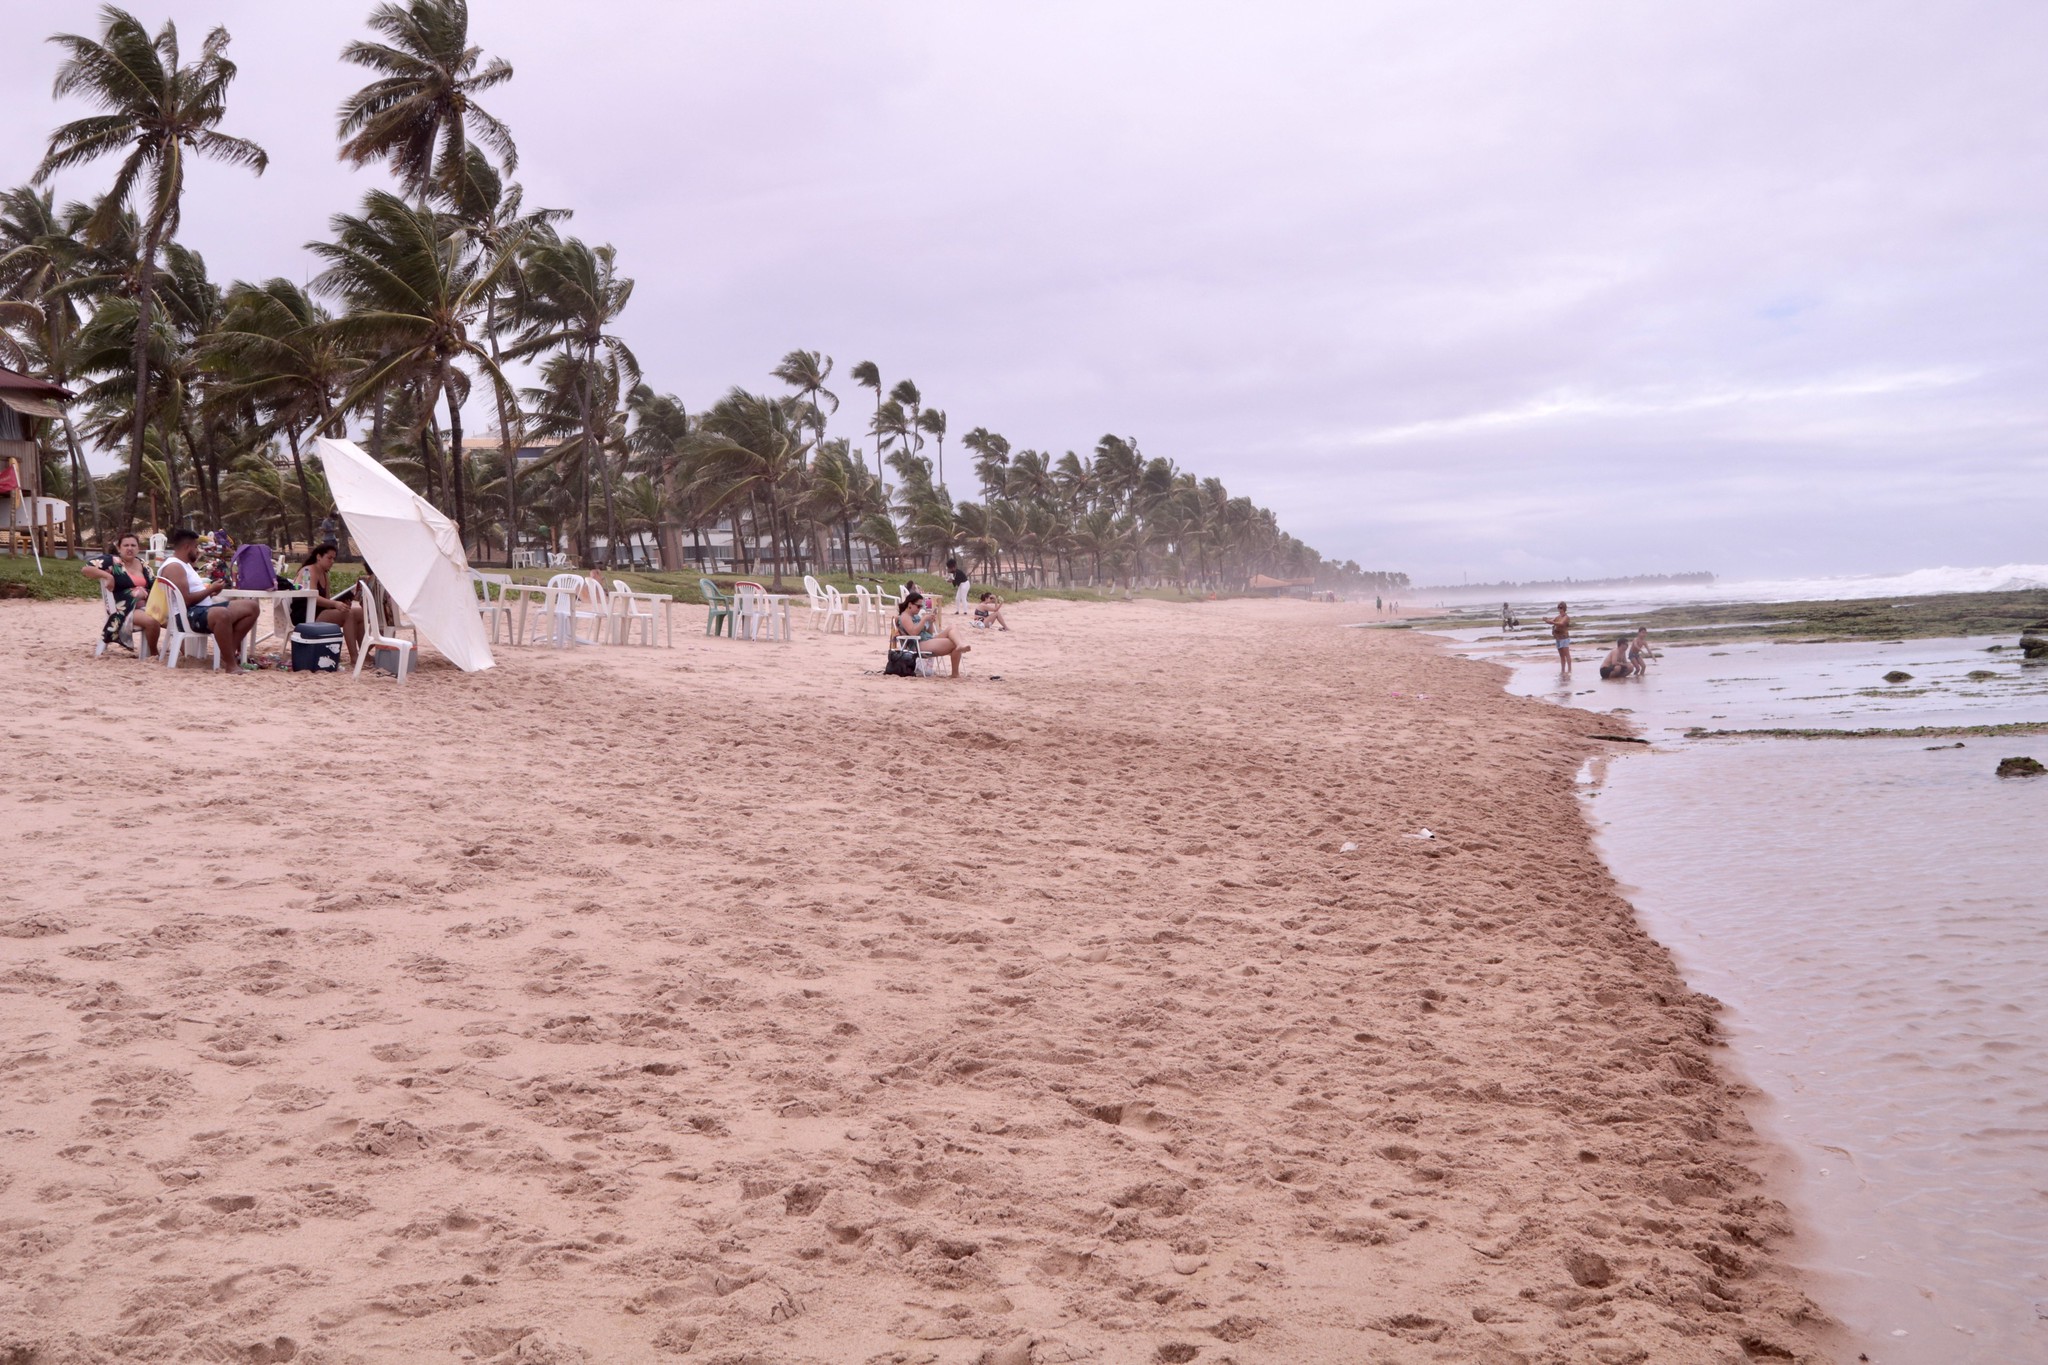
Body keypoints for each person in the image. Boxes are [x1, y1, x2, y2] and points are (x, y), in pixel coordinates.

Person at [158, 527, 261, 668]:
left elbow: (190, 594)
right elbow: (186, 600)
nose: (198, 550)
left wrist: (211, 592)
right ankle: (231, 665)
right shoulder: (175, 567)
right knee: (221, 614)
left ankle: (229, 651)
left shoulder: (184, 565)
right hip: (186, 616)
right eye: (195, 547)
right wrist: (210, 590)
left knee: (251, 607)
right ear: (187, 547)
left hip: (201, 610)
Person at [83, 532, 156, 654]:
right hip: (124, 609)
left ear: (138, 548)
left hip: (147, 605)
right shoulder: (112, 561)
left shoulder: (143, 564)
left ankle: (188, 653)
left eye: (133, 545)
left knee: (174, 620)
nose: (129, 548)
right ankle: (154, 654)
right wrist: (108, 576)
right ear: (119, 548)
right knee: (152, 622)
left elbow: (153, 584)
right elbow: (86, 569)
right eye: (126, 545)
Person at [291, 542, 364, 663]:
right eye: (329, 558)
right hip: (305, 613)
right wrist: (335, 605)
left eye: (334, 558)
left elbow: (327, 600)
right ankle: (354, 657)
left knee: (360, 613)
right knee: (348, 615)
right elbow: (312, 597)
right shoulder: (309, 571)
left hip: (319, 611)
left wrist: (341, 603)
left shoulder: (324, 574)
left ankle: (364, 653)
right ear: (319, 557)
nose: (332, 561)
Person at [896, 589, 972, 678]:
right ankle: (955, 672)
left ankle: (960, 644)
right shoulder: (905, 616)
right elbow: (913, 632)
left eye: (921, 606)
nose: (920, 608)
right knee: (953, 643)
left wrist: (930, 622)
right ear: (910, 604)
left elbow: (929, 633)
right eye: (918, 606)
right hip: (918, 644)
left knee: (953, 627)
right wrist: (924, 619)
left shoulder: (915, 616)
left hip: (927, 640)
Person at [1546, 601, 1573, 677]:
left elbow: (1562, 623)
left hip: (1564, 637)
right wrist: (1546, 620)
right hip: (1558, 637)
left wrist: (1553, 622)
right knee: (1561, 655)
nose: (1559, 609)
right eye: (1558, 607)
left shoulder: (1566, 617)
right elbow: (1551, 621)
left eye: (1561, 608)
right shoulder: (1558, 617)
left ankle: (1570, 670)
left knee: (1567, 654)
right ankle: (1563, 670)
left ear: (1564, 608)